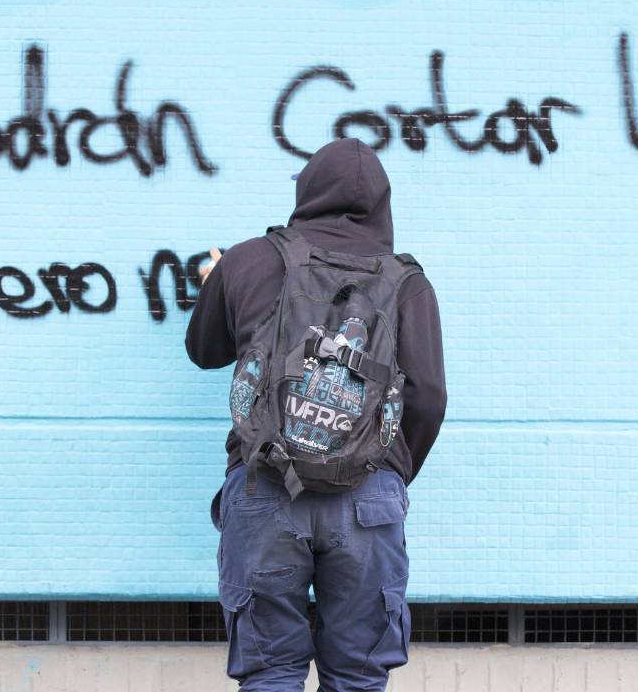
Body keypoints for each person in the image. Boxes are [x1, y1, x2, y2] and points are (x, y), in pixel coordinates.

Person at [185, 136, 447, 691]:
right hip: (367, 503)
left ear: (306, 192)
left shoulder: (249, 260)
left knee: (270, 673)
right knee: (357, 677)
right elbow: (428, 397)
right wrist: (385, 473)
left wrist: (216, 285)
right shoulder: (408, 284)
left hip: (265, 488)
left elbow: (204, 351)